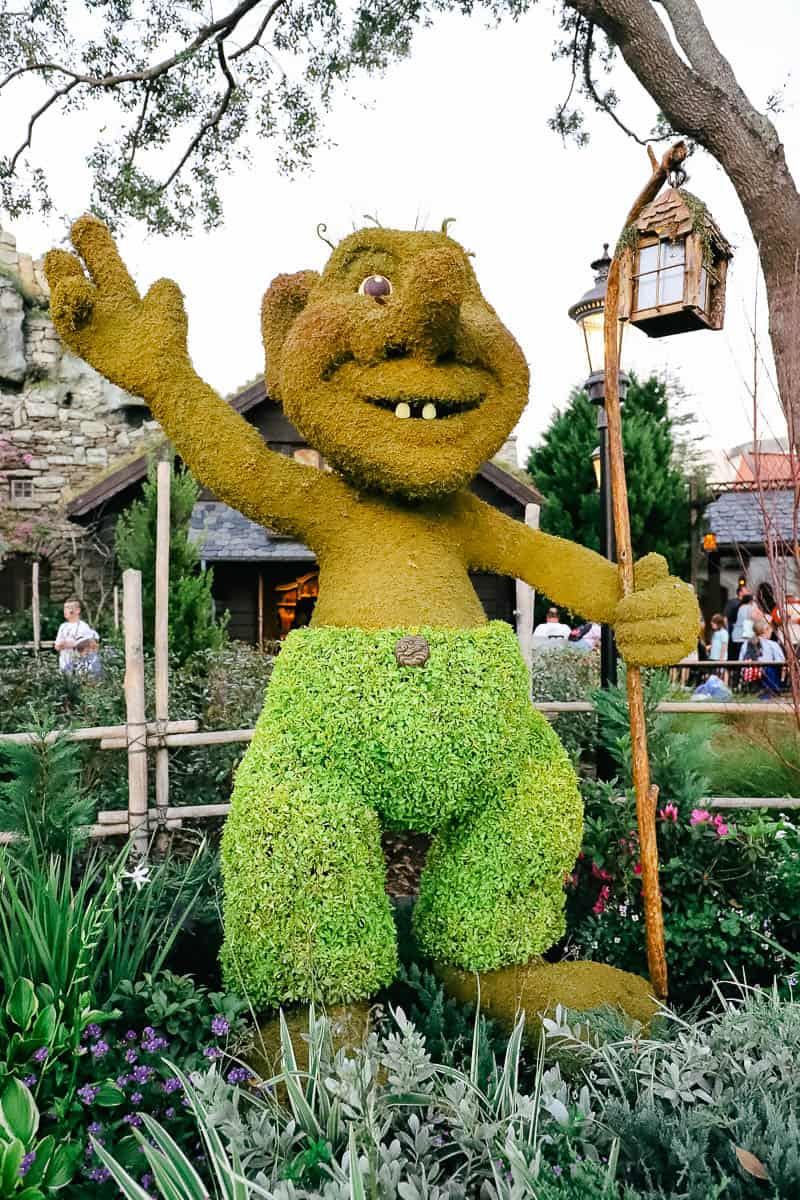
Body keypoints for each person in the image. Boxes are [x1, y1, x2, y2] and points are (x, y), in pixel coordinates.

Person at [739, 619, 785, 695]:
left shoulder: (745, 644)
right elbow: (781, 661)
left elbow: (740, 660)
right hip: (767, 676)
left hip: (749, 674)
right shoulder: (772, 644)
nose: (772, 632)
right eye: (770, 630)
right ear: (765, 631)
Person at [54, 598, 99, 674]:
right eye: (64, 608)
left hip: (81, 667)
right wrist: (73, 643)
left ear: (77, 610)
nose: (65, 611)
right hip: (65, 666)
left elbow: (91, 646)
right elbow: (57, 646)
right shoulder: (63, 626)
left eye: (68, 608)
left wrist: (71, 644)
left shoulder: (83, 627)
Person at [730, 591, 761, 665]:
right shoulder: (749, 608)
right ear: (750, 601)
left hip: (735, 636)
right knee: (744, 657)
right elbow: (756, 618)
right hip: (744, 636)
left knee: (736, 658)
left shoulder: (740, 608)